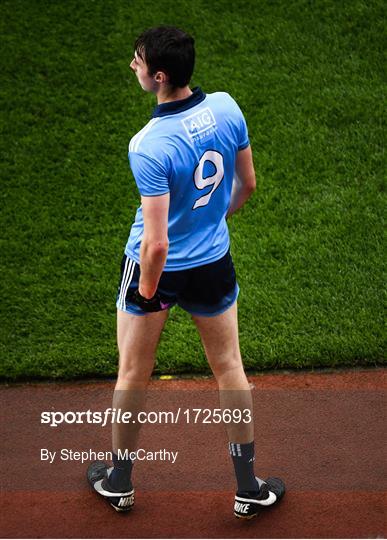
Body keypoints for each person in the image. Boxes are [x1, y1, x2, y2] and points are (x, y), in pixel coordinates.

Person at [87, 25, 285, 519]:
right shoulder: (226, 107)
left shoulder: (148, 144)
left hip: (156, 270)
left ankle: (119, 482)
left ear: (159, 76)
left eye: (137, 61)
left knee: (133, 373)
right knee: (230, 368)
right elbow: (248, 186)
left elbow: (155, 244)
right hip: (213, 262)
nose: (132, 66)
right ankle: (248, 488)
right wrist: (209, 225)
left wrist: (149, 292)